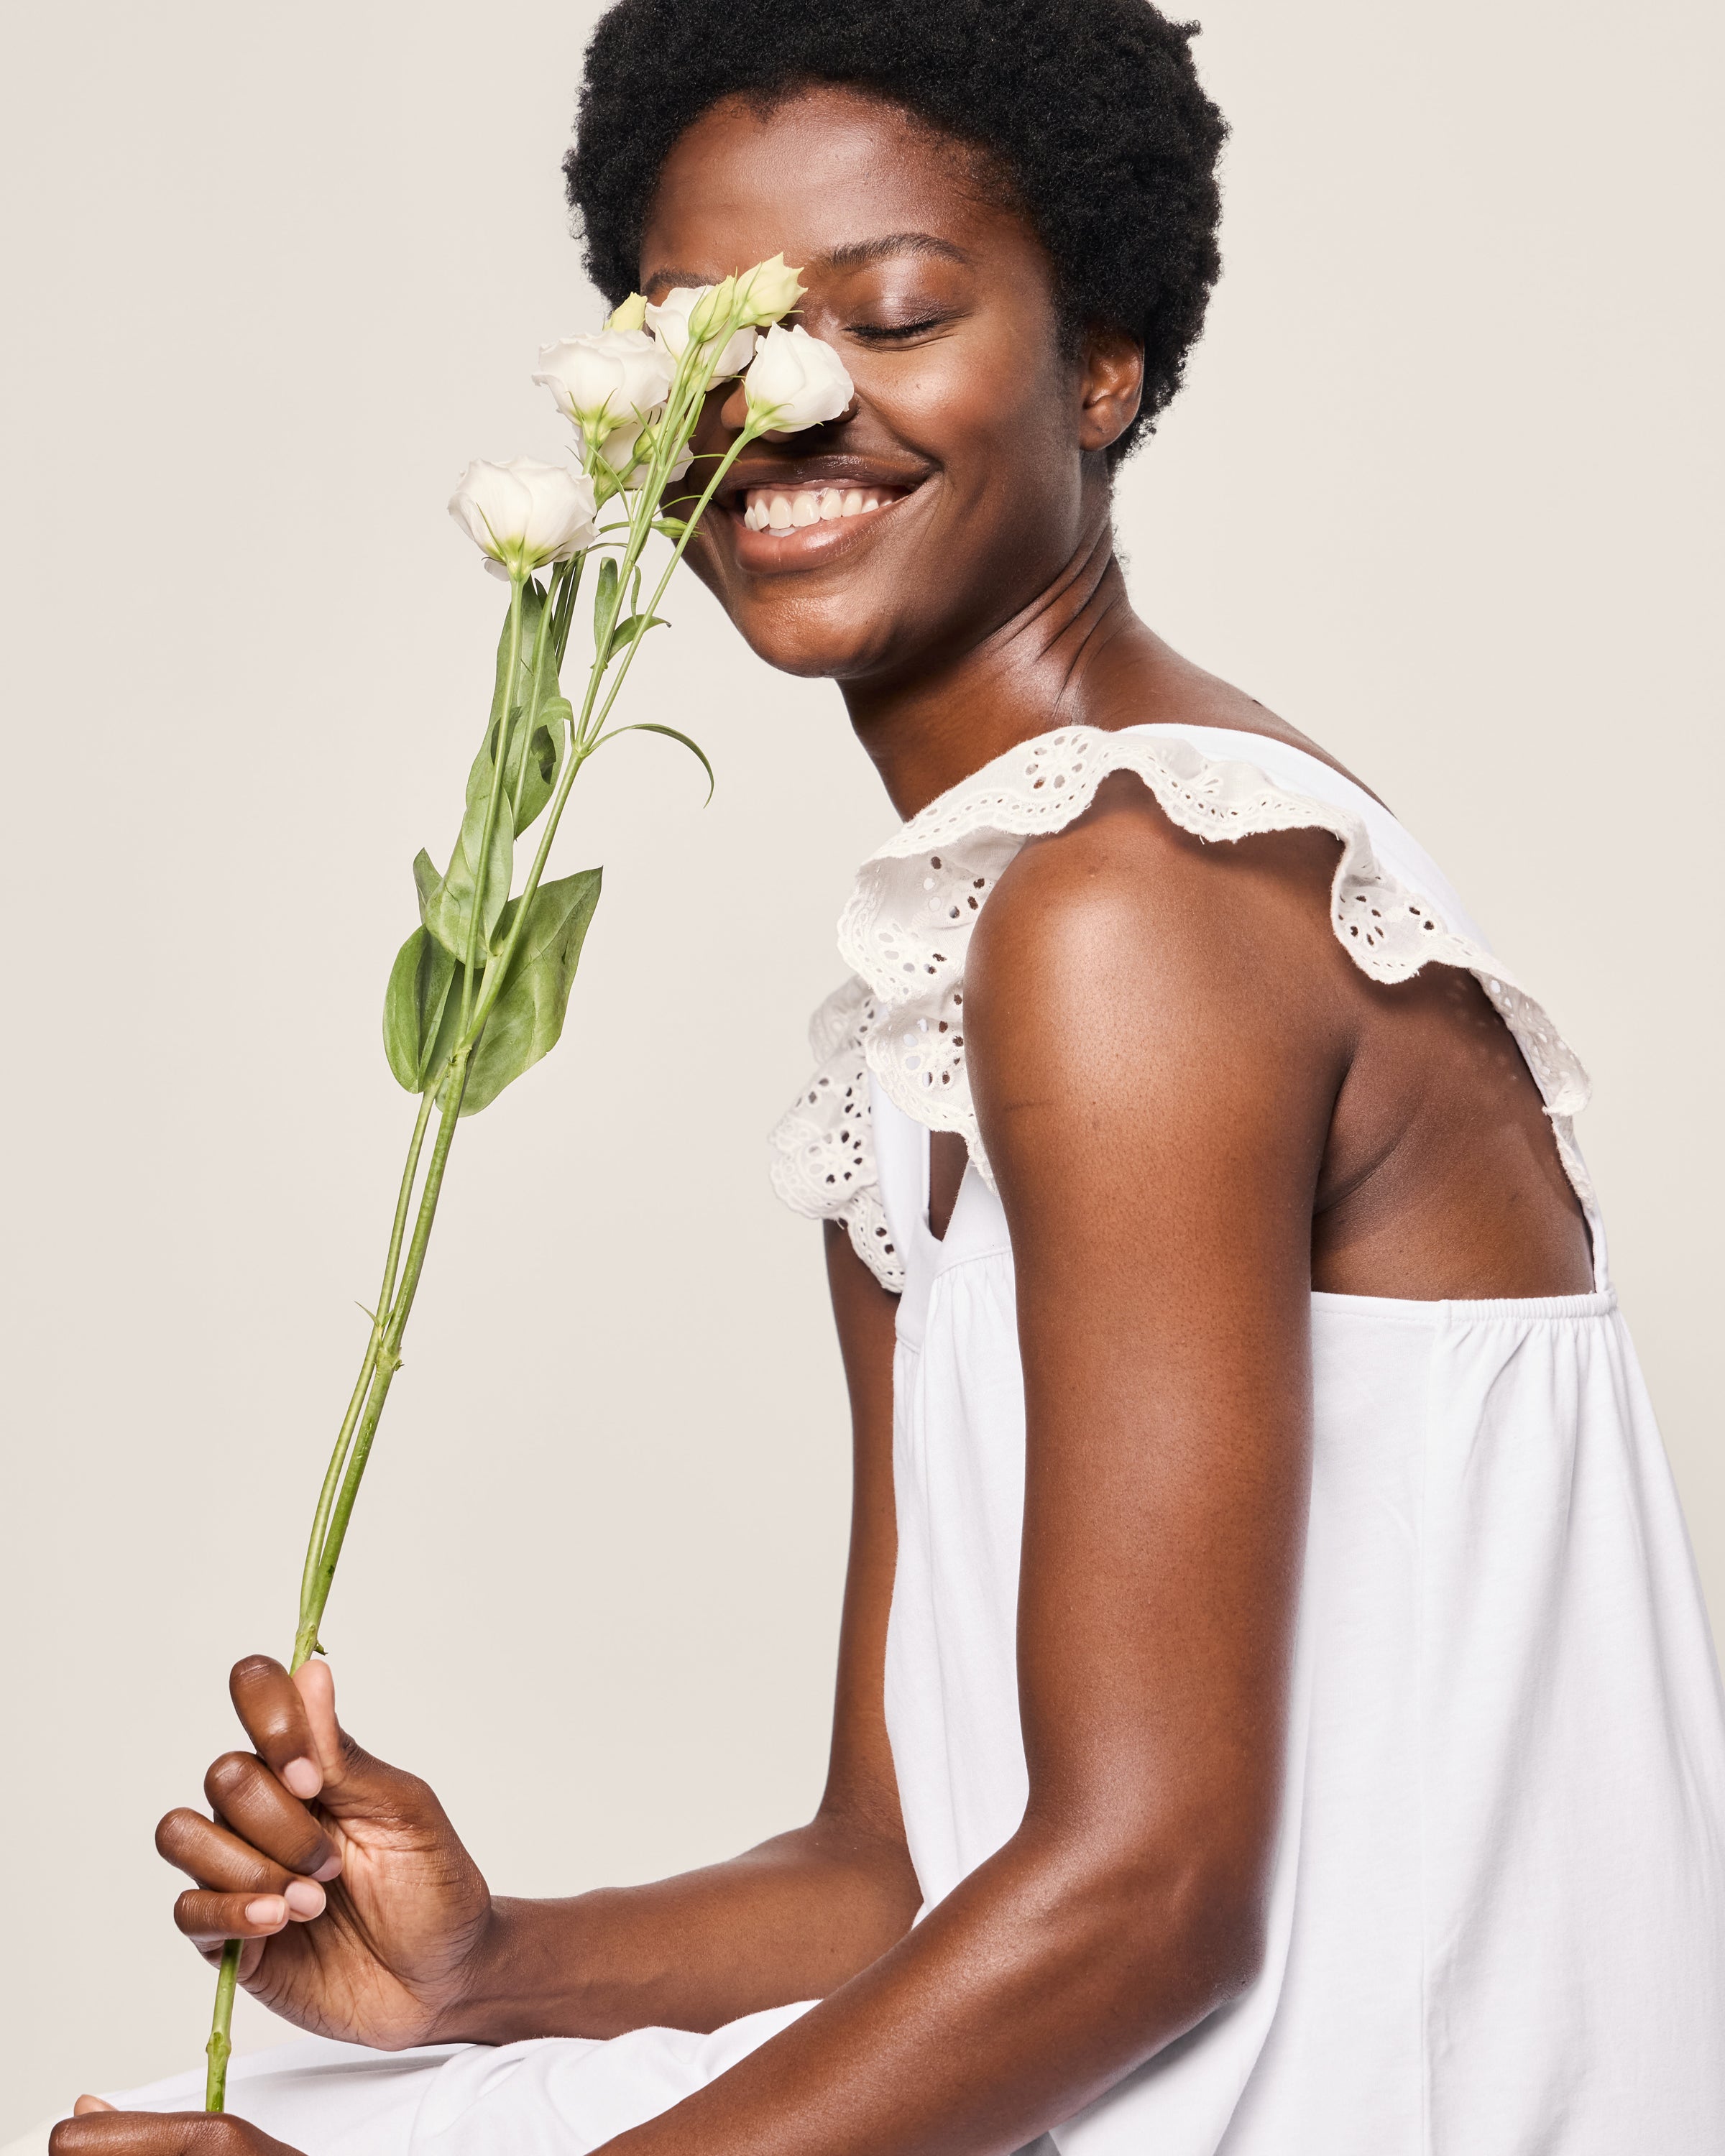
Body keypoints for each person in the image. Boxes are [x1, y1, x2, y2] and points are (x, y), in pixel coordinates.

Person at [44, 1, 1725, 2151]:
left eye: (897, 313)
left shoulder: (1144, 908)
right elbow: (901, 1859)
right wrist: (493, 1968)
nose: (786, 402)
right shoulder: (967, 955)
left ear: (1101, 361)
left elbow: (1152, 1904)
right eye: (702, 337)